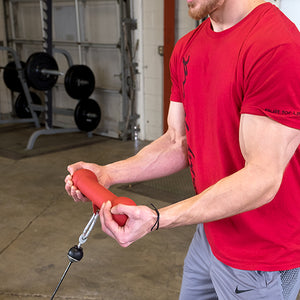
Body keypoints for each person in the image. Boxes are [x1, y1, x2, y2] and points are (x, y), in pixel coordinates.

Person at [65, 0, 300, 299]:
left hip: (261, 252)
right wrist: (107, 174)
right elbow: (177, 141)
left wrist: (159, 218)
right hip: (211, 232)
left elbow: (262, 177)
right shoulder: (188, 47)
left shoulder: (276, 45)